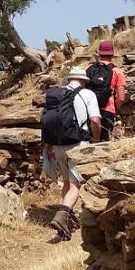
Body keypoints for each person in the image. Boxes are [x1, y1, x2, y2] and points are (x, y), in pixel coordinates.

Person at [43, 66, 102, 241]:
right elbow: (95, 121)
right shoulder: (87, 94)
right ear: (84, 80)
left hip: (57, 144)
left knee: (67, 183)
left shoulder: (56, 95)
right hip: (78, 144)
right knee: (76, 185)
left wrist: (48, 145)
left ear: (70, 79)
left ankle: (66, 221)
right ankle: (61, 217)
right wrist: (96, 140)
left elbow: (48, 120)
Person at [93, 40, 126, 141]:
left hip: (90, 110)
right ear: (112, 54)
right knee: (104, 142)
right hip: (108, 110)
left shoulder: (89, 68)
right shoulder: (117, 71)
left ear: (99, 53)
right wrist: (116, 108)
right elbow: (121, 97)